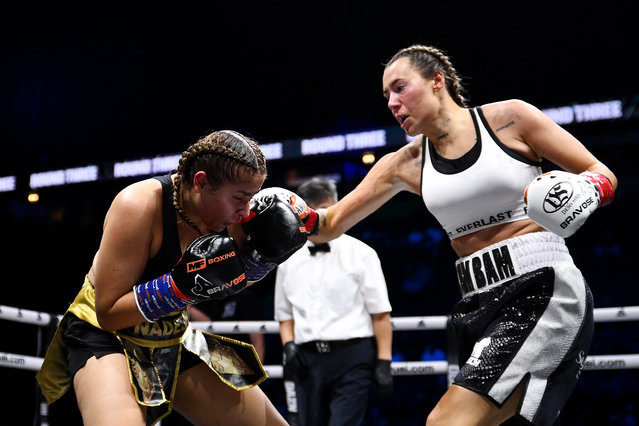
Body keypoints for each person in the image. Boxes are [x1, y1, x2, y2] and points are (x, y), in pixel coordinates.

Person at [312, 45, 618, 426]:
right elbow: (327, 225)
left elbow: (600, 172)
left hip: (542, 288)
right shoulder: (404, 164)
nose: (392, 102)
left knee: (445, 421)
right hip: (476, 303)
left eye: (400, 88)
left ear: (437, 81)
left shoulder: (509, 119)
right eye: (386, 95)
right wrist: (283, 212)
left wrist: (587, 188)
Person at [36, 129, 317, 426]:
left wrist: (263, 260)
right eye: (240, 197)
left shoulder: (229, 214)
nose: (244, 211)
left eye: (250, 197)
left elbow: (233, 278)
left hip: (171, 334)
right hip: (105, 335)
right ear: (201, 182)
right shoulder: (138, 205)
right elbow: (108, 314)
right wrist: (177, 289)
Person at [275, 177, 394, 426]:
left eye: (325, 209)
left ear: (338, 206)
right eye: (313, 210)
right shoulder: (286, 259)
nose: (320, 217)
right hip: (306, 358)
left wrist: (384, 362)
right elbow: (285, 315)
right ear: (300, 213)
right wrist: (289, 347)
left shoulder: (362, 253)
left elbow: (380, 314)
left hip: (353, 357)